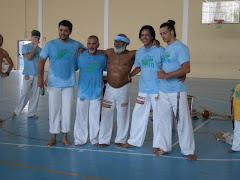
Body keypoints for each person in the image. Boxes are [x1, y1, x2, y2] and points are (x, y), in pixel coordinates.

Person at [38, 20, 86, 146]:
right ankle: (53, 136)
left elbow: (86, 49)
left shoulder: (75, 44)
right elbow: (41, 61)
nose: (62, 33)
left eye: (65, 30)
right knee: (54, 110)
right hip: (53, 83)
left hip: (69, 83)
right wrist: (40, 78)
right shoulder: (50, 44)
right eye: (61, 30)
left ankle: (65, 136)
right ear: (58, 30)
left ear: (70, 31)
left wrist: (81, 50)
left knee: (67, 110)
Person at [157, 20, 196, 161]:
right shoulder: (166, 49)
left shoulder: (181, 47)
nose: (163, 36)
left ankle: (188, 150)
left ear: (172, 31)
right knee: (164, 120)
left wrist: (167, 75)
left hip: (176, 91)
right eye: (161, 34)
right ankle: (165, 147)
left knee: (183, 121)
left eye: (165, 33)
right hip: (163, 90)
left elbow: (186, 68)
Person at [121, 25, 164, 152]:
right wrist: (129, 75)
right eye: (142, 35)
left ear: (152, 36)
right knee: (138, 115)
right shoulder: (139, 52)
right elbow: (138, 67)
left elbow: (167, 66)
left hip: (157, 89)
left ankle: (158, 143)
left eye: (147, 35)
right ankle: (134, 141)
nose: (144, 37)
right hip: (143, 89)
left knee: (158, 117)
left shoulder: (160, 50)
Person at [97, 34, 136, 147]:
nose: (117, 43)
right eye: (116, 41)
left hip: (124, 88)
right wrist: (82, 49)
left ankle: (121, 139)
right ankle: (103, 139)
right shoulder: (109, 52)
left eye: (120, 42)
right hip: (109, 88)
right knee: (106, 113)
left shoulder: (131, 54)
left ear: (126, 44)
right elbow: (94, 50)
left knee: (122, 114)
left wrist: (131, 74)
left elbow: (147, 53)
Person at [74, 35, 107, 146]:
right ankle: (80, 139)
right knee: (81, 118)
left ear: (98, 45)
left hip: (96, 93)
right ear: (86, 44)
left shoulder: (102, 58)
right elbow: (72, 67)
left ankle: (94, 139)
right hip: (82, 92)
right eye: (89, 43)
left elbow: (110, 70)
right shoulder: (80, 56)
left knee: (94, 119)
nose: (91, 46)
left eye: (93, 43)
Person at [12, 30, 42, 119]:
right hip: (28, 74)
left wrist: (41, 76)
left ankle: (31, 113)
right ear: (31, 37)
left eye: (37, 37)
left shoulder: (40, 50)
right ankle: (17, 111)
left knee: (36, 95)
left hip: (37, 75)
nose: (36, 39)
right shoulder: (25, 47)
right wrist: (34, 47)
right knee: (25, 93)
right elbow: (29, 57)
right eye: (34, 37)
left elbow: (41, 63)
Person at [0, 34, 14, 122]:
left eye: (1, 40)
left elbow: (11, 63)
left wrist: (7, 73)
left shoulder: (3, 52)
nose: (0, 42)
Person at [228, 84, 240, 153]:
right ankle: (235, 147)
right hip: (237, 114)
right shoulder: (238, 86)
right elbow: (233, 100)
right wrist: (233, 113)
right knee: (237, 131)